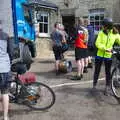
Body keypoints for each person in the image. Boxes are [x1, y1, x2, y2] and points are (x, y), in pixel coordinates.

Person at [93, 18, 120, 95]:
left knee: (108, 72)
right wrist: (105, 49)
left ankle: (107, 88)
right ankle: (94, 85)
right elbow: (97, 43)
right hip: (99, 55)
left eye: (103, 25)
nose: (102, 27)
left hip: (108, 56)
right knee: (97, 71)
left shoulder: (115, 34)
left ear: (107, 26)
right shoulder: (101, 33)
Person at [0, 20, 13, 120]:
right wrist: (10, 61)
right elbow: (11, 52)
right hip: (4, 67)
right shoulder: (6, 36)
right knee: (5, 93)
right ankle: (5, 117)